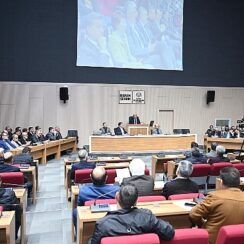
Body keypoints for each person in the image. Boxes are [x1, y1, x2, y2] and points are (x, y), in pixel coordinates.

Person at [89, 184, 175, 244]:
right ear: (137, 201)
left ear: (116, 197)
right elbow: (169, 233)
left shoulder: (103, 223)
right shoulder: (146, 217)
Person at [190, 167, 244, 244]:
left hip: (214, 240)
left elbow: (194, 214)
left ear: (221, 182)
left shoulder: (215, 196)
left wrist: (202, 224)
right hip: (238, 240)